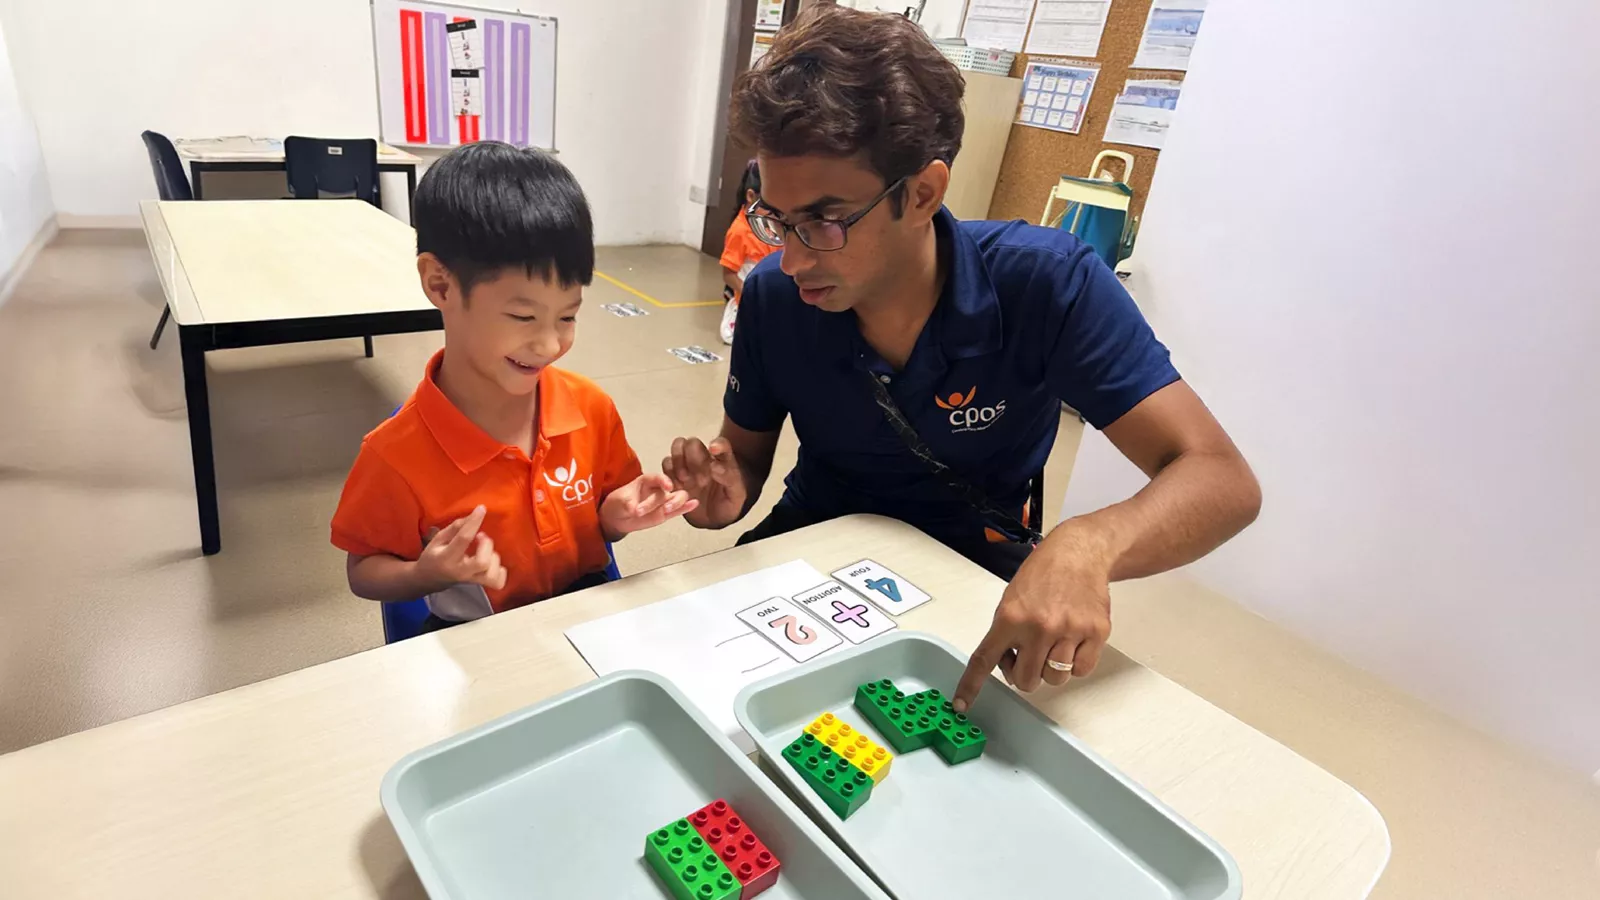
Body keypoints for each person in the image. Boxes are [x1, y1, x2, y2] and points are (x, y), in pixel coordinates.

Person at [664, 7, 1260, 710]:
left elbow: (1222, 480)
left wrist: (1091, 543)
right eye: (775, 218)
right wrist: (720, 495)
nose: (790, 258)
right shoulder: (774, 295)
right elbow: (746, 458)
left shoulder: (1047, 284)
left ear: (922, 194)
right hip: (817, 532)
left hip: (974, 559)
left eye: (823, 221)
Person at [331, 142, 695, 633]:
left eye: (568, 316)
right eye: (523, 316)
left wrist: (619, 515)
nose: (549, 344)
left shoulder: (591, 408)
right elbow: (364, 572)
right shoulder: (394, 456)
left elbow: (603, 519)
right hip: (480, 639)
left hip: (582, 616)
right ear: (440, 285)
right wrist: (425, 573)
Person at [719, 161, 779, 344]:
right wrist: (749, 295)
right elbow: (728, 274)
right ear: (751, 196)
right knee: (733, 338)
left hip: (772, 295)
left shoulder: (773, 223)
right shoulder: (739, 231)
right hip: (749, 298)